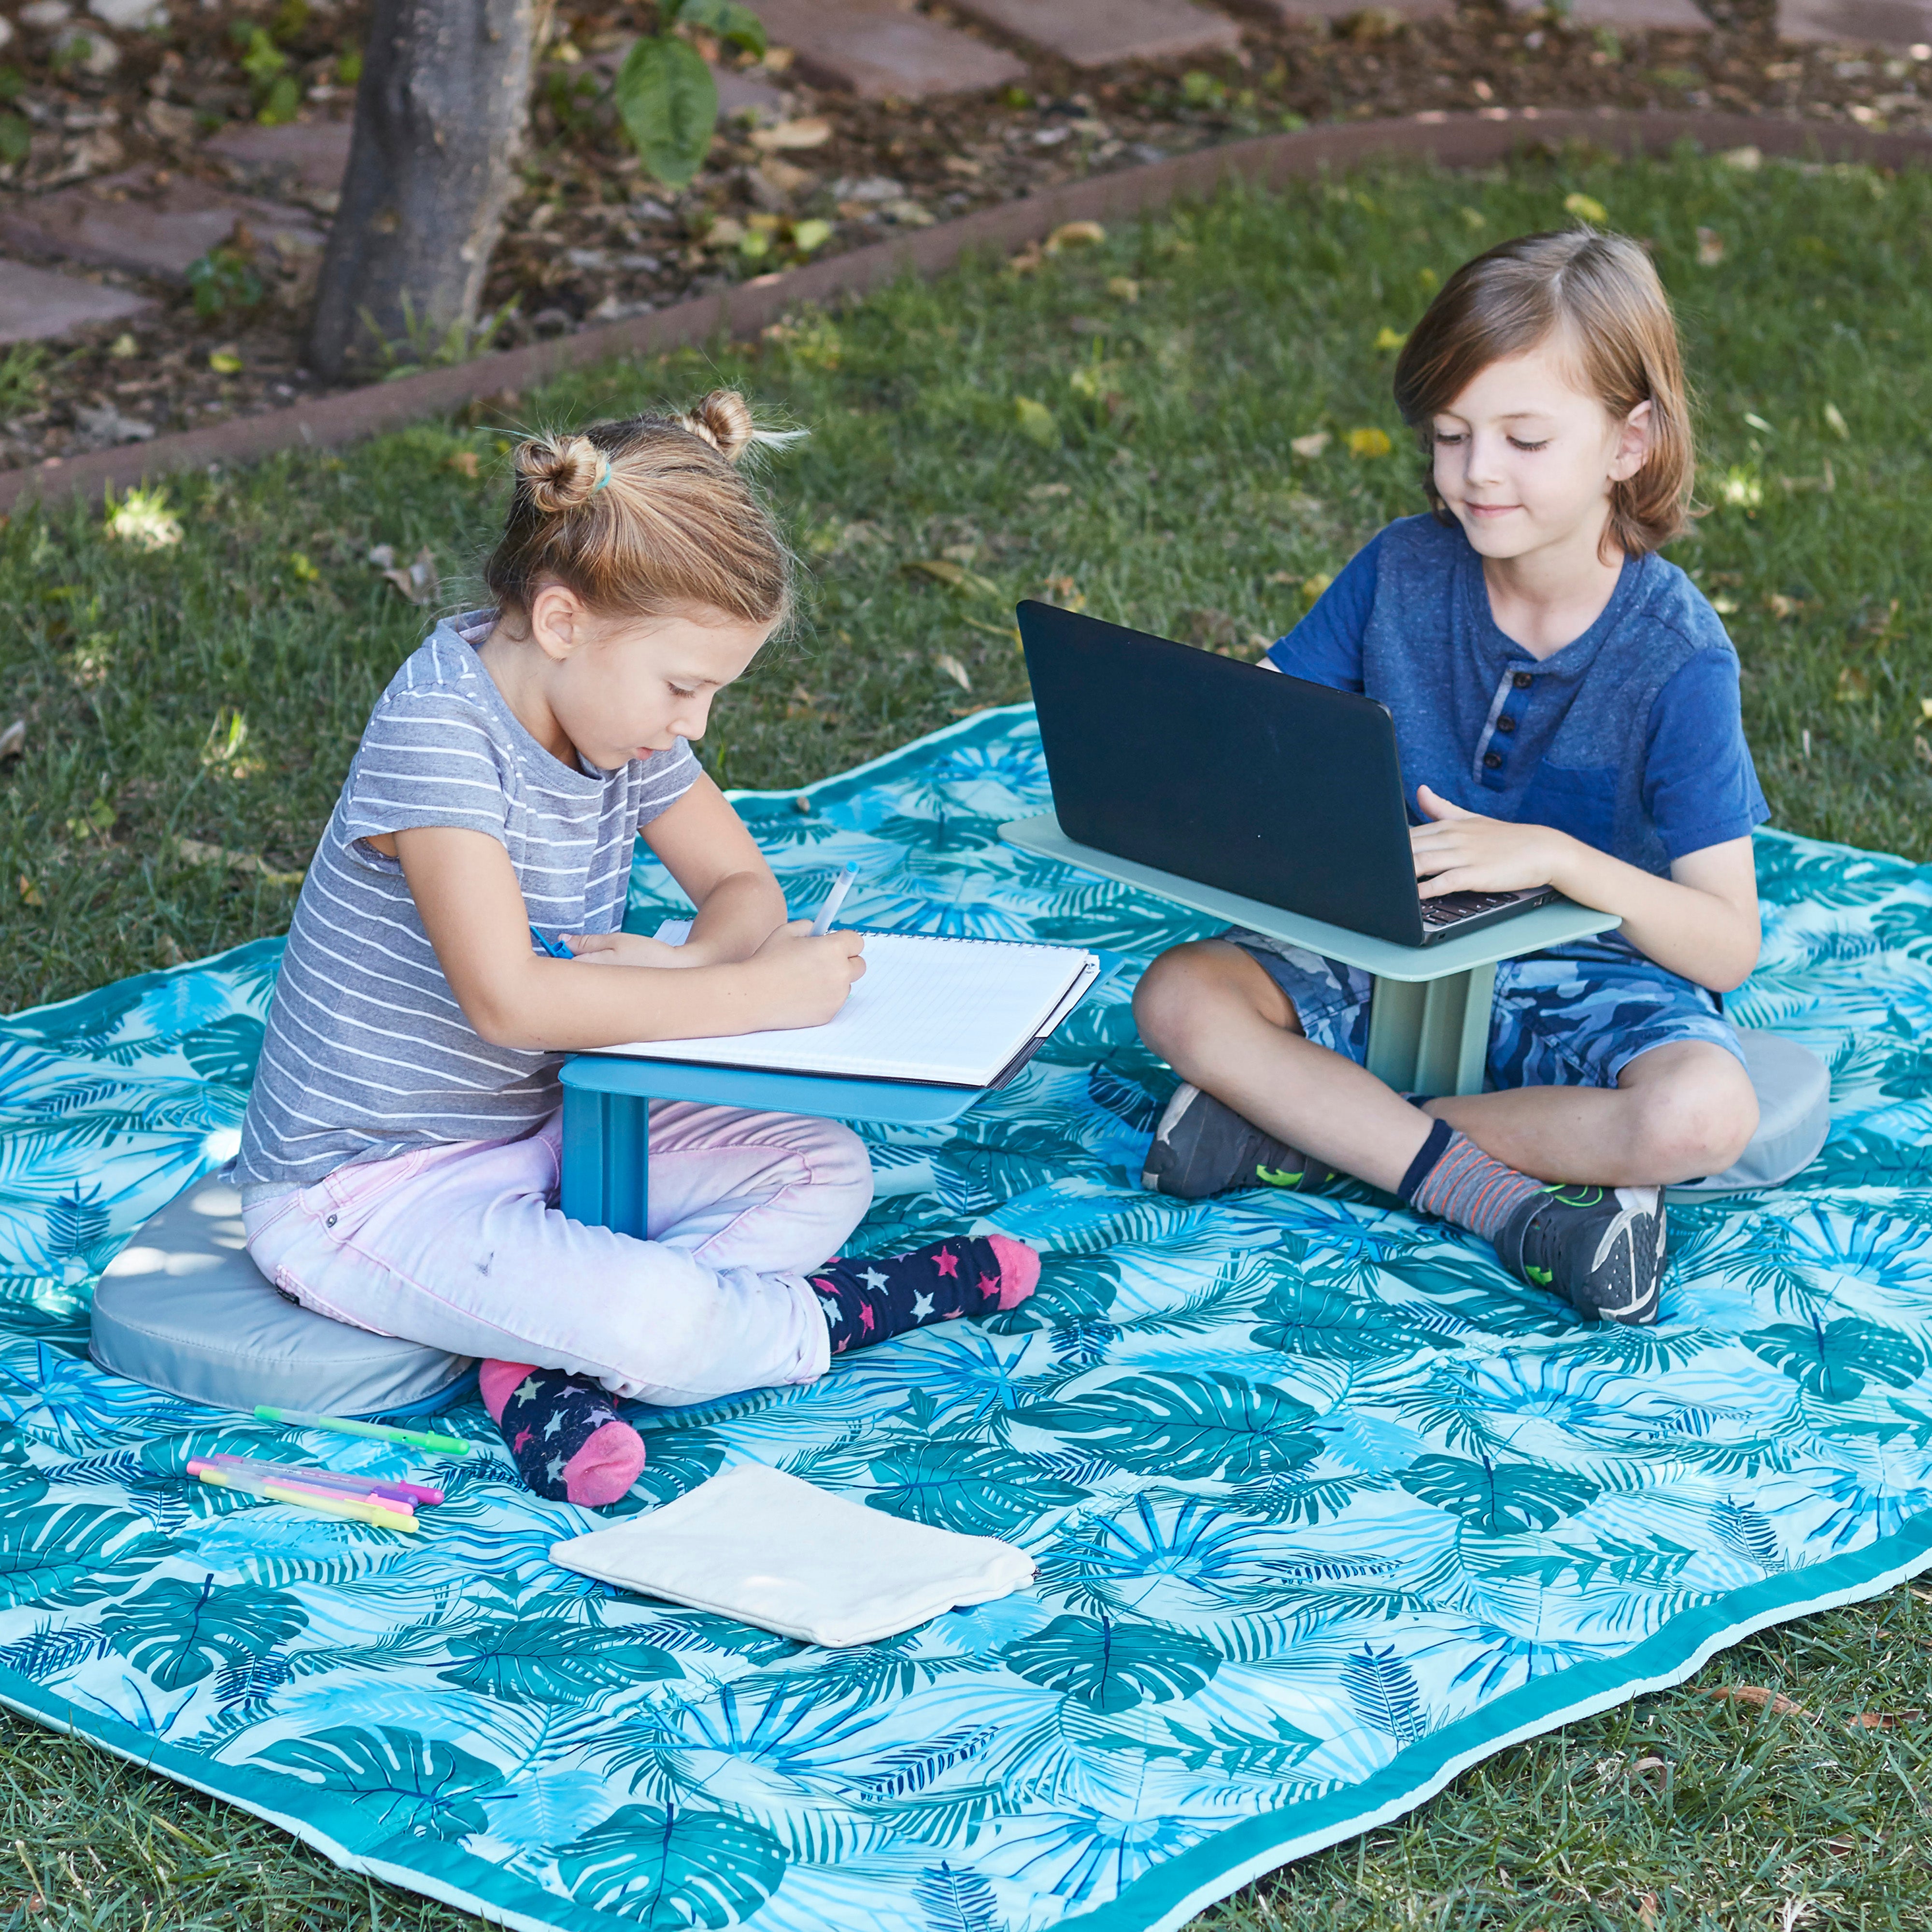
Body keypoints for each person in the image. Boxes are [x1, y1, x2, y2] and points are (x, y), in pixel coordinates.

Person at [234, 393, 1037, 1506]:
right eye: (683, 686)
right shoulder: (439, 732)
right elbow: (510, 1002)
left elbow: (740, 884)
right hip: (366, 1190)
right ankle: (840, 1308)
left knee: (824, 1163)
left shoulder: (608, 715)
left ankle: (533, 1354)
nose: (693, 724)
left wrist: (703, 964)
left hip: (553, 1124)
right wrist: (759, 997)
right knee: (654, 1319)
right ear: (562, 621)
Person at [1135, 229, 1767, 1328]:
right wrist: (1210, 743)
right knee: (1177, 995)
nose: (1476, 472)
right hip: (1390, 938)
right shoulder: (1398, 568)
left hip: (1582, 977)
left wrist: (1564, 861)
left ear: (1629, 441)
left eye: (1524, 439)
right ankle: (1501, 1199)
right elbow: (1267, 725)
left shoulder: (1677, 657)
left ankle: (1322, 1132)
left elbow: (1726, 942)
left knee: (1703, 1115)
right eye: (1449, 434)